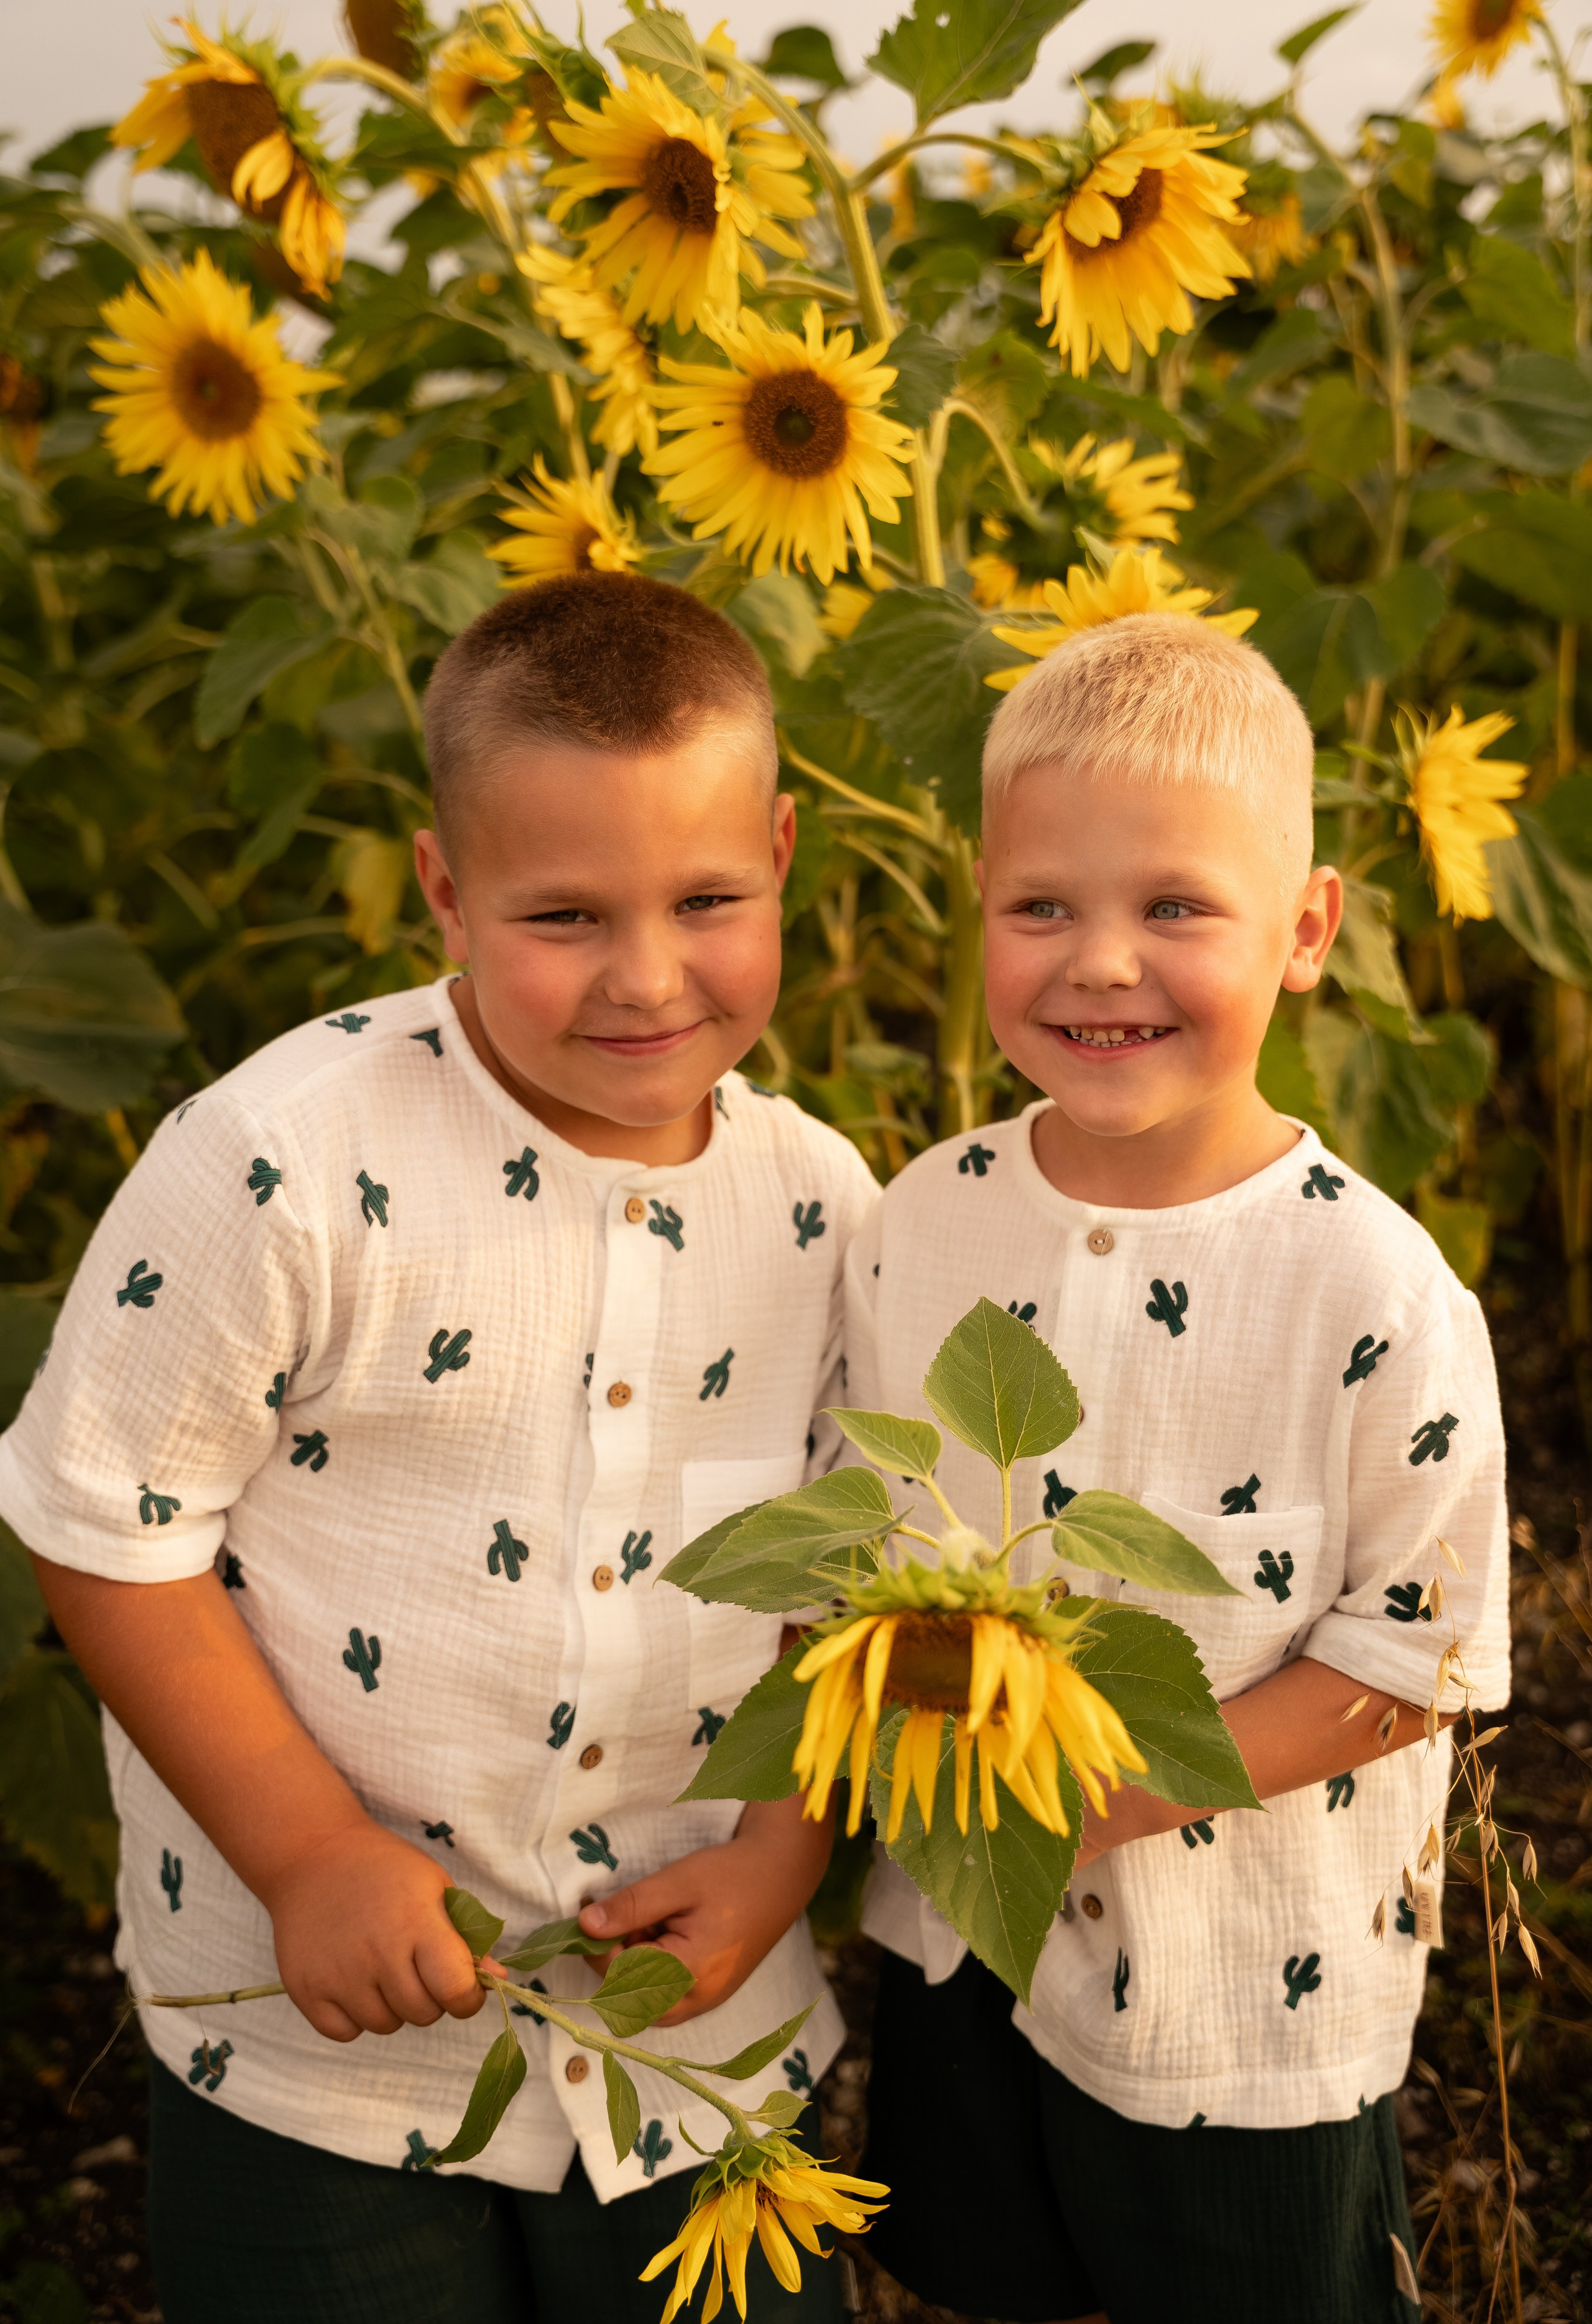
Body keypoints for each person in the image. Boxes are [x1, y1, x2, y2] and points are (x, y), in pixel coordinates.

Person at [2, 572, 878, 2323]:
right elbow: (108, 1522)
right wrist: (310, 1856)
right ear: (444, 889)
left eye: (707, 898)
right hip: (325, 2038)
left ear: (784, 853)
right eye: (563, 916)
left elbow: (849, 1590)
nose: (646, 977)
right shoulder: (282, 1165)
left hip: (692, 2036)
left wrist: (785, 1852)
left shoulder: (822, 1210)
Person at [846, 611, 1509, 2324]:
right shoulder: (925, 1221)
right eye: (1044, 906)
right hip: (962, 1926)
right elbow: (875, 1546)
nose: (1101, 963)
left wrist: (1121, 1779)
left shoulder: (1368, 1289)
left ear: (1306, 932)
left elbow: (1414, 1658)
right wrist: (945, 1737)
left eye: (1177, 909)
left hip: (1242, 1983)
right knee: (986, 2271)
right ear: (977, 900)